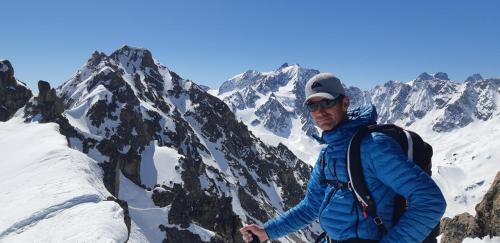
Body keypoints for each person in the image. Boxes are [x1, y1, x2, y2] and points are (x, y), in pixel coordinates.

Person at [240, 73, 446, 243]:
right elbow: (312, 206)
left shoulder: (374, 147)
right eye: (312, 106)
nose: (320, 112)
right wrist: (266, 232)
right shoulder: (328, 153)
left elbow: (430, 201)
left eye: (327, 102)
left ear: (344, 103)